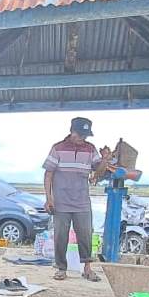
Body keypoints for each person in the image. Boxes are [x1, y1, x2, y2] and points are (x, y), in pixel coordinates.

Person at [43, 116, 102, 282]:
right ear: (72, 132)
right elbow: (48, 174)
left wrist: (105, 159)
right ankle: (61, 268)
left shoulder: (90, 149)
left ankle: (87, 268)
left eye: (86, 135)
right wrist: (49, 198)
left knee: (85, 235)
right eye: (80, 134)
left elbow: (99, 171)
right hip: (60, 202)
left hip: (82, 201)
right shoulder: (58, 148)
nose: (83, 139)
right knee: (61, 236)